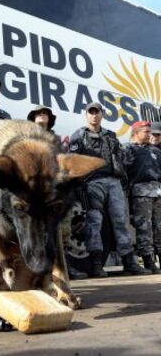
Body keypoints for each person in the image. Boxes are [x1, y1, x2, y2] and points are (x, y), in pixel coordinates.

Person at [69, 102, 149, 277]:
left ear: (102, 114)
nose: (94, 116)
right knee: (94, 222)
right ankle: (96, 265)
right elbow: (74, 161)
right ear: (86, 115)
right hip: (92, 182)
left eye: (97, 112)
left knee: (121, 222)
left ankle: (129, 262)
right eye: (91, 112)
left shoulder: (111, 136)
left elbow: (122, 158)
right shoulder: (79, 136)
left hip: (113, 182)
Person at [28, 105, 87, 280]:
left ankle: (64, 268)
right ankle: (38, 271)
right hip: (35, 191)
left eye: (45, 114)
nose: (42, 117)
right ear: (33, 118)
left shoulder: (55, 139)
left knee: (62, 230)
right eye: (39, 114)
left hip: (54, 189)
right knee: (36, 232)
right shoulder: (26, 136)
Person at [125, 121, 161, 273]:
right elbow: (123, 172)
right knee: (144, 229)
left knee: (159, 227)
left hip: (157, 192)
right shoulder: (128, 150)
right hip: (141, 193)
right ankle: (148, 260)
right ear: (136, 133)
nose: (149, 134)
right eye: (146, 132)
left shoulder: (156, 151)